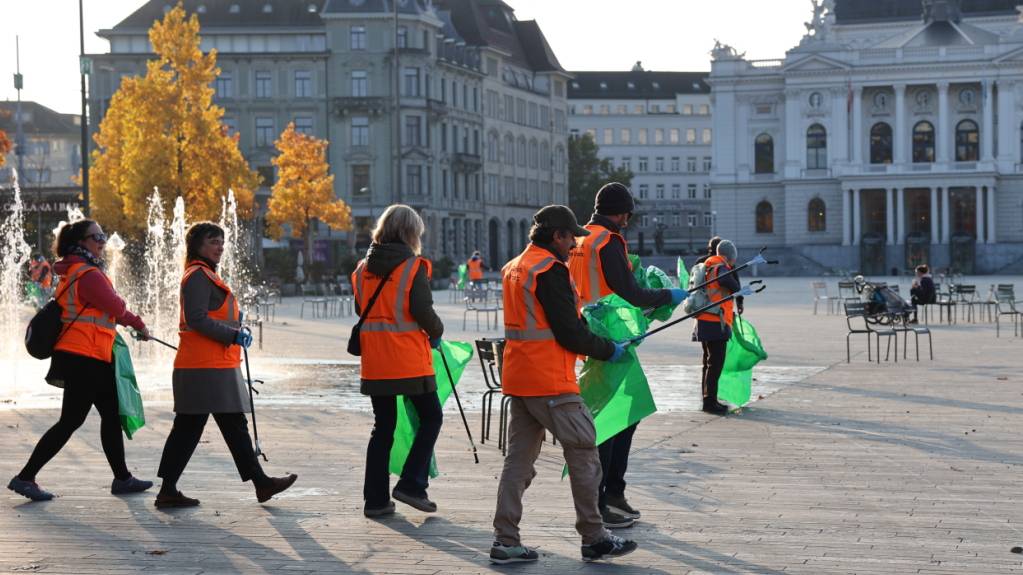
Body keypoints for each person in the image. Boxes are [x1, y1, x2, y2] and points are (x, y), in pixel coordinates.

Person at [491, 205, 638, 564]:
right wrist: (609, 349)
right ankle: (594, 536)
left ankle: (505, 540)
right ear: (556, 236)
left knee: (518, 462)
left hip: (519, 377)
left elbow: (540, 321)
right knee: (586, 451)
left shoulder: (515, 266)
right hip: (550, 380)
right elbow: (568, 332)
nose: (574, 243)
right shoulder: (550, 270)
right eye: (571, 236)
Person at [568, 182, 687, 529]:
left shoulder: (579, 237)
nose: (626, 223)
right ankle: (603, 500)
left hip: (585, 331)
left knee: (627, 412)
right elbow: (630, 292)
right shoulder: (608, 241)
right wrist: (666, 295)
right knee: (611, 419)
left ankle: (613, 492)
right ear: (622, 214)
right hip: (607, 337)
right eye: (626, 216)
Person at [8, 220, 153, 501]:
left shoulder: (75, 271)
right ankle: (26, 476)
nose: (102, 241)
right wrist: (139, 325)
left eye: (103, 235)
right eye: (96, 236)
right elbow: (116, 306)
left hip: (89, 355)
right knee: (71, 420)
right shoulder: (87, 274)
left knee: (110, 415)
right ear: (80, 242)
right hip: (83, 357)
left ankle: (122, 478)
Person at [155, 222, 296, 509]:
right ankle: (170, 489)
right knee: (194, 428)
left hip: (211, 365)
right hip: (203, 367)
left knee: (225, 426)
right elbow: (196, 318)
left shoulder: (206, 275)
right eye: (213, 241)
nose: (220, 246)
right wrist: (232, 334)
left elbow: (210, 315)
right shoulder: (197, 276)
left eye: (221, 241)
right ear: (197, 246)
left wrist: (235, 324)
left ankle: (259, 483)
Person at [353, 204, 444, 518]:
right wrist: (437, 331)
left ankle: (375, 500)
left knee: (383, 427)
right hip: (407, 359)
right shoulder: (412, 266)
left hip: (376, 360)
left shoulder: (361, 268)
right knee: (431, 417)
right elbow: (422, 310)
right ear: (409, 234)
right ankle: (411, 483)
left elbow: (359, 309)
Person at [694, 239, 741, 416]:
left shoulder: (706, 265)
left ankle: (708, 398)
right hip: (716, 322)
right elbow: (734, 287)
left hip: (703, 320)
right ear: (729, 256)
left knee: (708, 362)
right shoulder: (721, 268)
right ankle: (710, 402)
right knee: (715, 363)